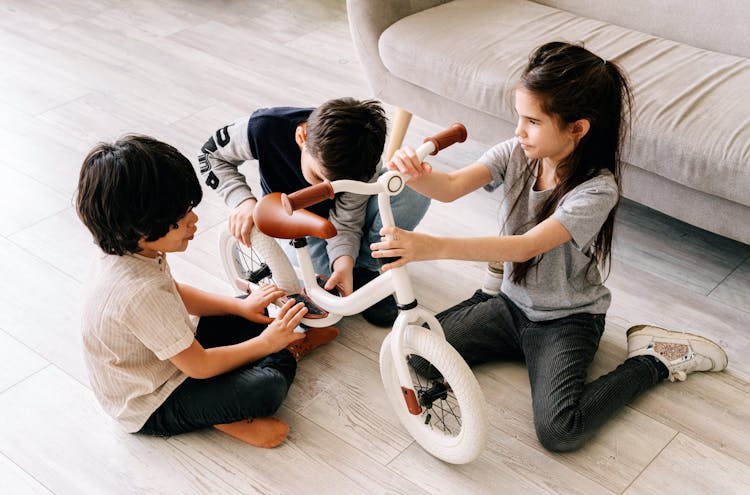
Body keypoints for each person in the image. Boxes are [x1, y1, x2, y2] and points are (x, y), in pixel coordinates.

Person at [371, 42, 728, 452]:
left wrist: (429, 247)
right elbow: (450, 188)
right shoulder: (516, 151)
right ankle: (488, 294)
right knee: (417, 360)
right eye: (519, 117)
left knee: (561, 431)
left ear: (577, 128)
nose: (519, 130)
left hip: (566, 319)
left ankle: (654, 359)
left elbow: (524, 248)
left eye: (532, 121)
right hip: (511, 304)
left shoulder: (596, 191)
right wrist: (415, 174)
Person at [76, 135, 338, 448]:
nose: (194, 219)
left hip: (173, 353)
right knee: (265, 389)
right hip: (155, 399)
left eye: (188, 208)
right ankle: (253, 385)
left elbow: (174, 291)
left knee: (251, 309)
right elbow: (198, 366)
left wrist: (239, 308)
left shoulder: (131, 250)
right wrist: (266, 344)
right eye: (180, 218)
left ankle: (269, 354)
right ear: (141, 230)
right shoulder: (135, 291)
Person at [198, 97, 430, 327]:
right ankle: (351, 270)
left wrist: (343, 263)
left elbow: (348, 220)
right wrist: (243, 201)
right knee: (321, 306)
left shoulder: (363, 160)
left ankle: (365, 268)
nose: (323, 188)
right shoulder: (265, 127)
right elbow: (210, 155)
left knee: (414, 187)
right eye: (319, 176)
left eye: (338, 184)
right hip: (297, 224)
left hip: (343, 221)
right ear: (302, 138)